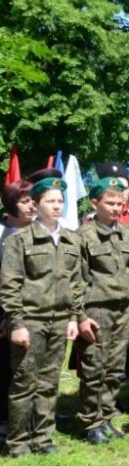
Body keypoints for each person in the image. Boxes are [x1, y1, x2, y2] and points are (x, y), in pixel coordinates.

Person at [0, 177, 81, 457]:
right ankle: (18, 443)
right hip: (31, 320)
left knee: (49, 383)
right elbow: (10, 285)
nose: (57, 205)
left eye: (60, 200)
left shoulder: (72, 239)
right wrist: (17, 323)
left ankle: (43, 439)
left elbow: (76, 283)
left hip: (60, 321)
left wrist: (73, 318)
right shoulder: (19, 240)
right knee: (24, 383)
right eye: (51, 200)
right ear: (36, 204)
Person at [75, 176, 129, 445]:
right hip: (96, 311)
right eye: (110, 203)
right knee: (94, 369)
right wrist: (80, 317)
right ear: (95, 203)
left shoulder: (127, 233)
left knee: (115, 370)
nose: (116, 208)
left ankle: (106, 418)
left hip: (123, 310)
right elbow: (76, 279)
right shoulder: (82, 236)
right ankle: (91, 421)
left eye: (119, 203)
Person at [0, 180, 35, 441]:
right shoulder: (2, 233)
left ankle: (35, 418)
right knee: (6, 370)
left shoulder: (42, 231)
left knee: (34, 368)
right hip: (5, 315)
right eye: (25, 201)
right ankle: (5, 421)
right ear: (11, 204)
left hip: (36, 312)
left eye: (34, 199)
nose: (32, 205)